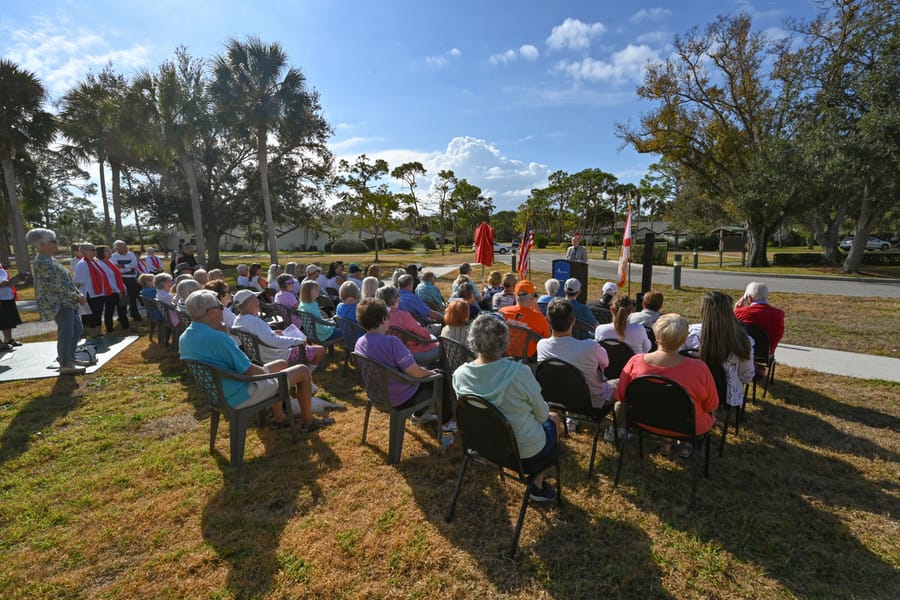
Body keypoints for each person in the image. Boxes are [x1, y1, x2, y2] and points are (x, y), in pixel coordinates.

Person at [179, 289, 331, 432]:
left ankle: (279, 418)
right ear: (211, 312)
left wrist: (273, 371)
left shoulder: (185, 337)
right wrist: (270, 376)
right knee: (302, 371)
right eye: (220, 307)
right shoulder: (218, 338)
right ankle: (308, 422)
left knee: (281, 364)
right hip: (241, 393)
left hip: (219, 392)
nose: (223, 310)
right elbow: (249, 371)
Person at [453, 314, 561, 502]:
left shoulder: (460, 374)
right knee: (554, 418)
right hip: (526, 454)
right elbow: (543, 416)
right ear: (505, 341)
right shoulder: (520, 373)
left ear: (473, 340)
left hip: (483, 445)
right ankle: (537, 485)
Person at [616, 314, 718, 457]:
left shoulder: (635, 362)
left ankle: (666, 442)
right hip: (688, 427)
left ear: (656, 335)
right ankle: (684, 445)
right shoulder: (699, 369)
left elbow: (621, 396)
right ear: (683, 339)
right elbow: (711, 405)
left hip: (644, 419)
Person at [354, 297, 454, 430]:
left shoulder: (360, 342)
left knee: (429, 374)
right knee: (439, 376)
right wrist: (431, 373)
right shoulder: (391, 342)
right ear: (384, 319)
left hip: (376, 394)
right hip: (400, 398)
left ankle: (420, 416)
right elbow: (415, 373)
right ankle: (446, 422)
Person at [26, 228, 88, 375]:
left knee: (77, 329)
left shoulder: (50, 259)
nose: (55, 244)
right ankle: (65, 363)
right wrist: (76, 296)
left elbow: (65, 280)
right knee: (66, 332)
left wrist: (76, 293)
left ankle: (70, 357)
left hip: (68, 301)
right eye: (52, 242)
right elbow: (56, 285)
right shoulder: (42, 262)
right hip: (59, 303)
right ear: (42, 245)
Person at [683, 291, 755, 408]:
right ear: (729, 311)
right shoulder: (742, 340)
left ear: (703, 310)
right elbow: (746, 377)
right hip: (725, 395)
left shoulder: (688, 334)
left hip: (692, 390)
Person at [538, 297, 615, 406]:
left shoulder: (541, 345)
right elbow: (605, 363)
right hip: (591, 401)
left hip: (558, 397)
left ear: (547, 321)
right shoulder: (590, 347)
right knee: (621, 383)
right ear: (573, 320)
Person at [233, 289, 325, 367]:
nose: (258, 302)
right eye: (256, 299)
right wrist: (297, 340)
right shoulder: (254, 322)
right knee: (319, 350)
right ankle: (305, 375)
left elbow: (263, 337)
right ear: (250, 304)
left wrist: (273, 332)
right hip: (276, 356)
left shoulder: (238, 320)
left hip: (262, 355)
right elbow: (275, 341)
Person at [377, 285, 440, 365]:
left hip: (386, 353)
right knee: (438, 343)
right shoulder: (403, 315)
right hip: (409, 353)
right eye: (398, 296)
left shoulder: (376, 316)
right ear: (393, 299)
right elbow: (424, 334)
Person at [498, 280, 551, 359]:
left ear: (515, 295)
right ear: (532, 295)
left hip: (504, 356)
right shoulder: (539, 318)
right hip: (528, 360)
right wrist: (538, 311)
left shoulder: (502, 312)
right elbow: (548, 339)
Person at [734, 281, 785, 352]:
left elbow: (732, 332)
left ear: (749, 298)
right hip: (766, 353)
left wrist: (736, 311)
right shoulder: (778, 314)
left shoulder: (739, 312)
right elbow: (778, 335)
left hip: (744, 351)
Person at [96, 245, 129, 332]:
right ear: (101, 253)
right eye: (107, 251)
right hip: (110, 291)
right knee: (109, 309)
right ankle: (109, 328)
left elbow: (117, 276)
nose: (110, 251)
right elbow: (108, 280)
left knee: (122, 308)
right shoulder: (100, 264)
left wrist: (123, 287)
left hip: (117, 289)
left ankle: (125, 326)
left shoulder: (110, 262)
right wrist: (118, 291)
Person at [112, 240, 142, 322]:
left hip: (132, 278)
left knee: (133, 297)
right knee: (123, 298)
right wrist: (128, 268)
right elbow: (116, 269)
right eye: (123, 247)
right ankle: (122, 316)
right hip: (121, 279)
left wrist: (122, 266)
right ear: (117, 248)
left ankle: (134, 313)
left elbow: (134, 265)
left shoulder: (131, 254)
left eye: (125, 246)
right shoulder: (114, 257)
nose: (125, 248)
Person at [0, 261, 23, 350]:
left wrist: (15, 280)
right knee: (1, 320)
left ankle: (8, 340)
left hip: (7, 297)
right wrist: (5, 283)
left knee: (7, 321)